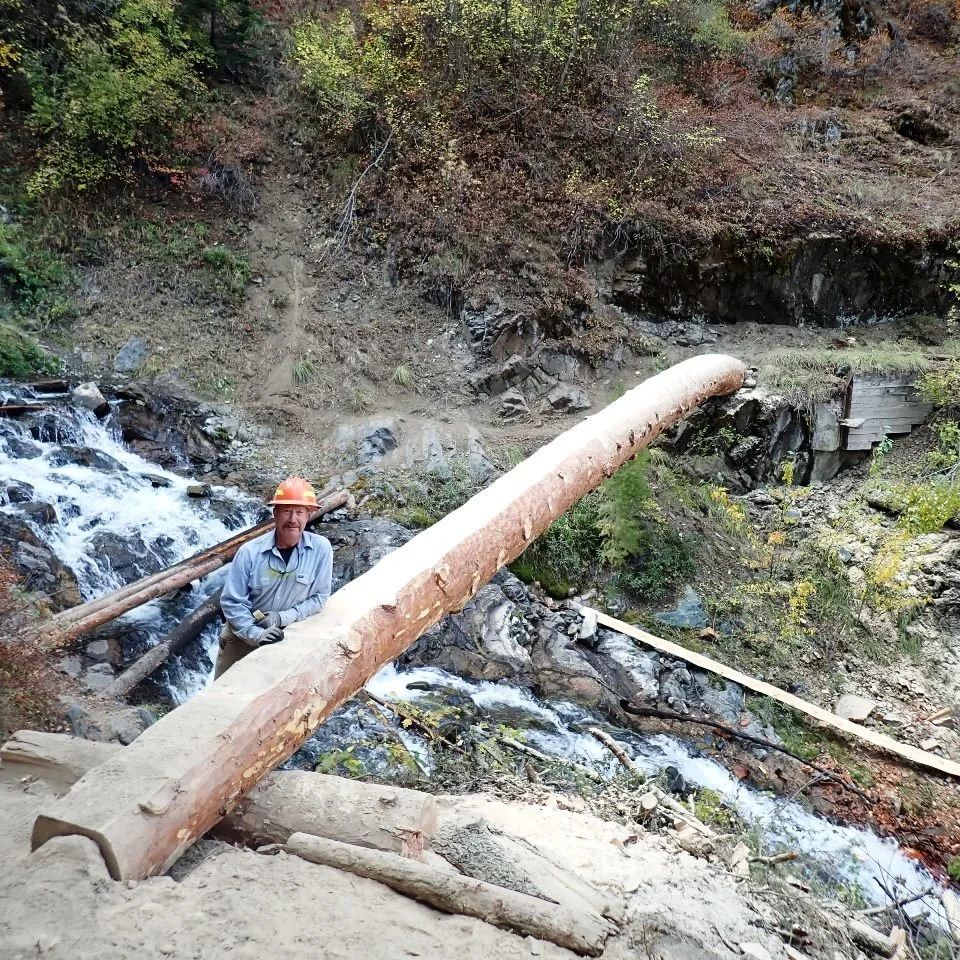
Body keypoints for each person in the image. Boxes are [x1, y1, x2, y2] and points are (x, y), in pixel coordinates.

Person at [215, 476, 333, 679]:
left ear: (309, 515)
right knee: (221, 702)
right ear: (275, 513)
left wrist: (281, 618)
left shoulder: (321, 549)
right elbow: (232, 602)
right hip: (241, 639)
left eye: (299, 512)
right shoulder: (250, 552)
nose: (293, 519)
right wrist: (256, 634)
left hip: (286, 639)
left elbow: (319, 598)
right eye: (287, 511)